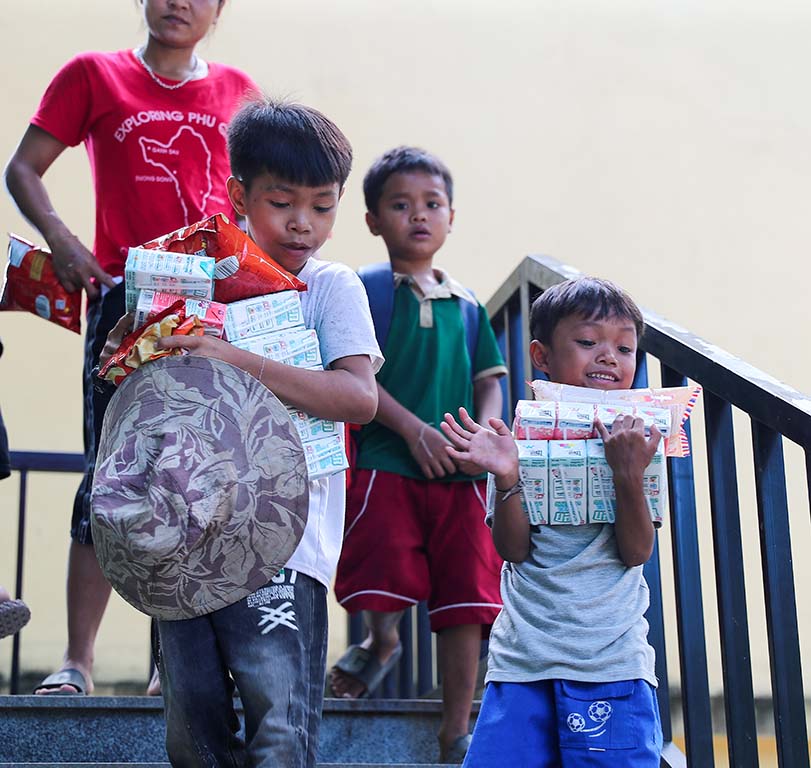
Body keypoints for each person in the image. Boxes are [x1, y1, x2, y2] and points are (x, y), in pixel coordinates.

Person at [99, 97, 382, 767]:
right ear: (237, 196)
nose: (303, 224)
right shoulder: (191, 283)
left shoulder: (329, 287)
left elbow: (357, 398)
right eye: (283, 202)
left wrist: (233, 359)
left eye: (322, 206)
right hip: (183, 531)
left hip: (288, 537)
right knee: (193, 724)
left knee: (278, 724)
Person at [4, 0, 258, 695]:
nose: (178, 2)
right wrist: (62, 240)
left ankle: (170, 668)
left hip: (208, 310)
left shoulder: (239, 94)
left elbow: (256, 203)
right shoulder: (94, 75)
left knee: (191, 481)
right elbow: (23, 169)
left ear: (219, 9)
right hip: (124, 298)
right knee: (110, 473)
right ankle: (78, 661)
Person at [329, 146, 507, 763]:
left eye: (432, 204)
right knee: (377, 572)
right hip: (387, 461)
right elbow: (357, 379)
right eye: (400, 205)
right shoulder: (363, 292)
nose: (419, 216)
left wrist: (482, 434)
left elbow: (489, 378)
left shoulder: (469, 305)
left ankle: (456, 728)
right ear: (374, 219)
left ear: (452, 216)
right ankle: (382, 643)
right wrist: (413, 431)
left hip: (460, 476)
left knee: (465, 599)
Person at [440, 277, 664, 767]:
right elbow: (514, 549)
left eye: (624, 348)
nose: (608, 357)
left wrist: (628, 475)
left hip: (612, 662)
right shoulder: (518, 438)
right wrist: (506, 477)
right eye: (587, 342)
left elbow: (635, 553)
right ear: (541, 356)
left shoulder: (638, 438)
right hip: (523, 662)